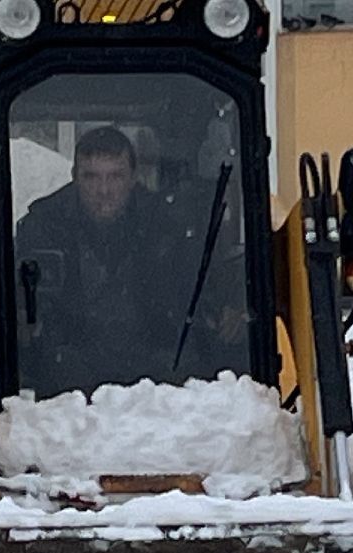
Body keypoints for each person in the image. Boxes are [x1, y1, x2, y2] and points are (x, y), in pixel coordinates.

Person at [14, 126, 238, 397]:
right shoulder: (42, 228)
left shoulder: (168, 227)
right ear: (74, 177)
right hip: (65, 383)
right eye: (91, 177)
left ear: (133, 177)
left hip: (157, 380)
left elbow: (203, 286)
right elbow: (19, 301)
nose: (104, 190)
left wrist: (228, 307)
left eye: (115, 176)